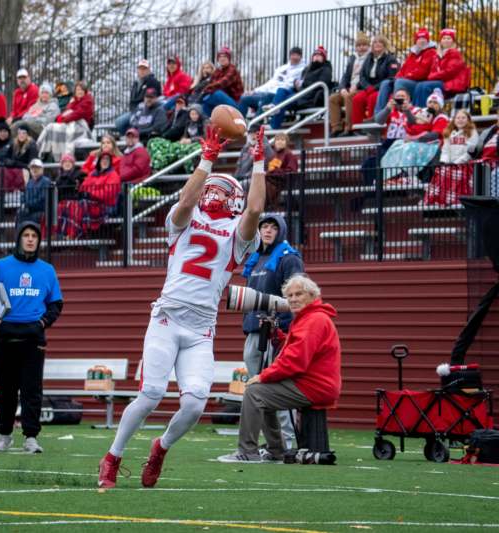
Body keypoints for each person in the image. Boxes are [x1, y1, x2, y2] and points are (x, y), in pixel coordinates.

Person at [98, 125, 266, 489]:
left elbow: (255, 208)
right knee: (151, 395)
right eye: (212, 189)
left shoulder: (238, 236)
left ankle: (160, 448)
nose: (214, 195)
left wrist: (258, 163)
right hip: (167, 317)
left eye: (222, 191)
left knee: (193, 405)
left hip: (201, 329)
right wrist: (206, 159)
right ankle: (112, 457)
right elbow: (187, 201)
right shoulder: (186, 219)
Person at [218, 274, 341, 463]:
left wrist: (263, 376)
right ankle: (276, 450)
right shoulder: (309, 318)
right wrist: (277, 336)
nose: (292, 299)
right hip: (312, 383)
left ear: (312, 295)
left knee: (254, 392)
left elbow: (296, 361)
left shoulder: (314, 320)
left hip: (313, 386)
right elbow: (295, 350)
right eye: (289, 295)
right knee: (262, 394)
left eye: (298, 294)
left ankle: (248, 451)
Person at [0, 221, 63, 454]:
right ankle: (4, 435)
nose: (30, 239)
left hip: (34, 342)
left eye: (34, 235)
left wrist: (42, 323)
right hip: (5, 341)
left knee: (32, 391)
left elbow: (56, 304)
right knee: (6, 391)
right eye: (26, 235)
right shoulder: (0, 266)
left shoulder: (47, 270)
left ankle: (31, 437)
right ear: (19, 239)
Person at [240, 214, 304, 449]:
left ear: (282, 231)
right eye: (264, 226)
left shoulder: (289, 258)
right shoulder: (255, 259)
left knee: (276, 388)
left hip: (278, 333)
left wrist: (288, 330)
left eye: (273, 227)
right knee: (257, 389)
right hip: (254, 331)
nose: (267, 231)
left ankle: (288, 444)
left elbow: (299, 295)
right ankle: (272, 445)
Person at [380, 89, 449, 185]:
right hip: (420, 142)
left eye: (435, 103)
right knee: (397, 145)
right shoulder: (425, 112)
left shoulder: (442, 118)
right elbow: (413, 123)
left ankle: (408, 176)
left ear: (440, 105)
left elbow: (434, 135)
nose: (432, 104)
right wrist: (407, 112)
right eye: (430, 102)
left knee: (409, 147)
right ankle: (390, 176)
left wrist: (414, 138)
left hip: (435, 145)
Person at [58, 151, 122, 239]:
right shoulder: (93, 173)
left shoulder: (113, 175)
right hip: (91, 202)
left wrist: (91, 192)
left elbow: (107, 194)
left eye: (107, 159)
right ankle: (67, 233)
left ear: (110, 162)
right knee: (67, 205)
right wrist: (92, 192)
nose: (104, 161)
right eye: (102, 159)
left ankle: (77, 234)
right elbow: (83, 187)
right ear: (99, 161)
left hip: (105, 206)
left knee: (79, 206)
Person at [424, 110, 479, 207]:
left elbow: (470, 152)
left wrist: (456, 163)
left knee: (453, 175)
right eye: (458, 118)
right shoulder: (449, 133)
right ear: (454, 120)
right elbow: (445, 150)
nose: (460, 120)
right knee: (440, 172)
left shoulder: (472, 132)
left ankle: (455, 202)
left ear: (468, 120)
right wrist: (444, 162)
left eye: (463, 118)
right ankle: (437, 202)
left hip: (464, 165)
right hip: (450, 164)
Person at [375, 28, 437, 114]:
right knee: (386, 83)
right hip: (408, 81)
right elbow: (403, 69)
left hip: (419, 83)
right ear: (416, 41)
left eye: (424, 39)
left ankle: (396, 113)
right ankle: (378, 114)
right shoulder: (413, 54)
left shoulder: (431, 52)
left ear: (427, 41)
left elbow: (423, 72)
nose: (422, 41)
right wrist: (396, 78)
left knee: (400, 82)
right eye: (419, 39)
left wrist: (406, 76)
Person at [237, 47, 305, 121]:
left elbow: (291, 86)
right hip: (266, 94)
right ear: (290, 56)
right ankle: (240, 124)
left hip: (277, 97)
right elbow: (271, 83)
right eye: (293, 54)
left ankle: (255, 124)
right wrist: (255, 91)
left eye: (297, 55)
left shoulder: (303, 69)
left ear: (301, 57)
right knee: (244, 99)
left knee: (267, 97)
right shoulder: (282, 69)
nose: (294, 57)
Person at [37, 81, 94, 163]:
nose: (79, 91)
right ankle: (42, 149)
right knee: (50, 127)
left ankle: (62, 156)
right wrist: (62, 118)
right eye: (78, 90)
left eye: (81, 90)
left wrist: (63, 119)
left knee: (63, 131)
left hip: (80, 127)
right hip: (70, 123)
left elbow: (76, 114)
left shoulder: (87, 101)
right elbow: (67, 112)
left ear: (85, 91)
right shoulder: (74, 101)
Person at [329, 32, 372, 137]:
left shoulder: (371, 58)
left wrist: (356, 86)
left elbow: (366, 77)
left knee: (349, 97)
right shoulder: (352, 58)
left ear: (368, 46)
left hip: (362, 89)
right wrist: (342, 88)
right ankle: (336, 128)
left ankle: (349, 128)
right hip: (350, 88)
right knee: (333, 98)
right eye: (359, 45)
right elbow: (346, 76)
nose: (361, 48)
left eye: (364, 45)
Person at [350, 35, 398, 127]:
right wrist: (367, 87)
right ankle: (357, 127)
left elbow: (391, 77)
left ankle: (373, 127)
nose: (377, 44)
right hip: (369, 88)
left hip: (382, 89)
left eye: (380, 42)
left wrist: (375, 88)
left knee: (373, 98)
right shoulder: (369, 58)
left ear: (384, 45)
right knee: (357, 99)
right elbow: (362, 76)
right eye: (375, 42)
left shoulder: (390, 59)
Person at [415, 29, 470, 106]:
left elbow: (449, 72)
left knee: (425, 86)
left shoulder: (455, 54)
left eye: (449, 38)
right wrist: (432, 76)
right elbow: (433, 70)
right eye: (444, 38)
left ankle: (424, 110)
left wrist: (432, 76)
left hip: (451, 83)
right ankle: (416, 109)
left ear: (453, 41)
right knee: (419, 85)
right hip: (441, 81)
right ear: (440, 41)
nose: (446, 40)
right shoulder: (437, 55)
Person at [147, 99, 203, 173]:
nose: (194, 116)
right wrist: (183, 139)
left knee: (183, 150)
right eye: (192, 114)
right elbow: (184, 134)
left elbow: (205, 137)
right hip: (184, 143)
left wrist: (191, 140)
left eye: (195, 114)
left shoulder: (204, 122)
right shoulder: (187, 121)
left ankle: (188, 170)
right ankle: (160, 164)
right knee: (154, 142)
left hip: (198, 145)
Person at [115, 59, 162, 135]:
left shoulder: (153, 82)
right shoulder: (136, 83)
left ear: (149, 70)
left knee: (120, 122)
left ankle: (130, 137)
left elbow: (153, 98)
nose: (142, 71)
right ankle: (128, 137)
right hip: (134, 111)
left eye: (144, 68)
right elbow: (132, 100)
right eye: (140, 68)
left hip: (144, 111)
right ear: (137, 70)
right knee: (119, 122)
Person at [201, 47, 244, 117]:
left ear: (229, 58)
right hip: (222, 101)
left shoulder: (232, 70)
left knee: (217, 93)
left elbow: (222, 83)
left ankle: (235, 117)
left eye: (224, 56)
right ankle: (211, 122)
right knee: (205, 101)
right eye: (220, 56)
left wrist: (207, 89)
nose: (222, 58)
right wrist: (205, 92)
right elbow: (211, 84)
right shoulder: (217, 71)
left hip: (235, 103)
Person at [290, 45, 334, 113]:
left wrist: (304, 83)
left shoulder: (326, 69)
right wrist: (296, 84)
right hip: (301, 94)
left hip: (311, 97)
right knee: (283, 94)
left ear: (323, 58)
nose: (316, 57)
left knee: (285, 103)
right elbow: (301, 82)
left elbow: (321, 83)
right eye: (315, 55)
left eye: (319, 55)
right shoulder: (306, 69)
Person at [265, 133, 298, 208]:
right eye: (277, 140)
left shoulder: (289, 155)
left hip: (279, 183)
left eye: (282, 140)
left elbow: (291, 172)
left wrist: (274, 171)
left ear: (287, 142)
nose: (279, 142)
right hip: (270, 181)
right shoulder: (273, 155)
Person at [16, 159, 51, 226]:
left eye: (37, 168)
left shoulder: (46, 181)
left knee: (34, 217)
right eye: (32, 168)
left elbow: (42, 199)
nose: (34, 170)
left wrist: (28, 204)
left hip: (41, 210)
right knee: (20, 213)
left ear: (42, 169)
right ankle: (20, 235)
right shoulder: (30, 182)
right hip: (30, 209)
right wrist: (24, 202)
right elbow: (24, 196)